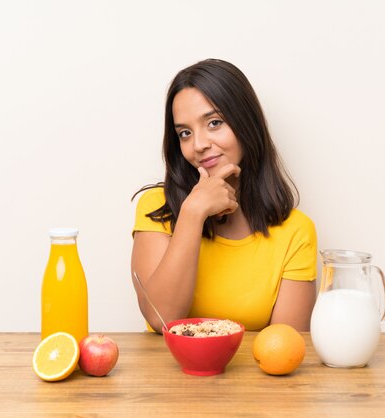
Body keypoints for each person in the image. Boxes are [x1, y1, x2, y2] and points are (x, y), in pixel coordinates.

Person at [131, 58, 317, 333]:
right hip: (168, 376)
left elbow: (282, 350)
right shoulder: (157, 207)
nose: (199, 145)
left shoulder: (295, 232)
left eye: (215, 123)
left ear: (246, 123)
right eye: (184, 133)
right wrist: (193, 212)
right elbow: (162, 318)